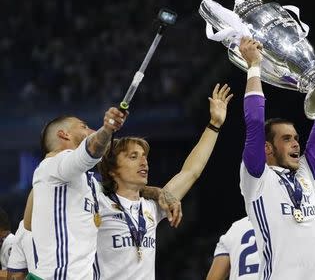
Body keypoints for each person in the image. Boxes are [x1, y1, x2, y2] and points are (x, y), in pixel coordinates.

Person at [95, 83, 233, 280]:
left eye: (144, 156)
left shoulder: (153, 206)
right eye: (133, 157)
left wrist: (214, 124)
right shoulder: (97, 202)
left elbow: (190, 172)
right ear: (112, 170)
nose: (144, 162)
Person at [238, 37, 315, 279]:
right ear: (267, 149)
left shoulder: (305, 174)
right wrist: (254, 66)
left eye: (296, 138)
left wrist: (312, 78)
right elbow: (254, 122)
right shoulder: (256, 178)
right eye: (286, 139)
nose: (296, 143)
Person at [30, 107, 128, 279]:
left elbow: (123, 193)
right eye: (84, 126)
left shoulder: (86, 182)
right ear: (64, 134)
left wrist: (157, 193)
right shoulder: (53, 164)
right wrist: (106, 129)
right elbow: (88, 154)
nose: (91, 131)